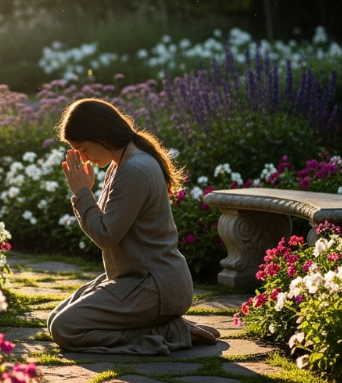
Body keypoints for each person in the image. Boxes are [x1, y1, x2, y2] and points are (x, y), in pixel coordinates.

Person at [47, 98, 218, 355]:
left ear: (99, 134)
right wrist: (85, 194)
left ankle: (167, 331)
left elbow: (106, 235)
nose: (84, 158)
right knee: (55, 319)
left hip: (155, 286)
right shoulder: (121, 163)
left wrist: (83, 194)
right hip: (135, 280)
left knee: (65, 328)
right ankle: (162, 325)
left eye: (82, 149)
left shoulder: (135, 168)